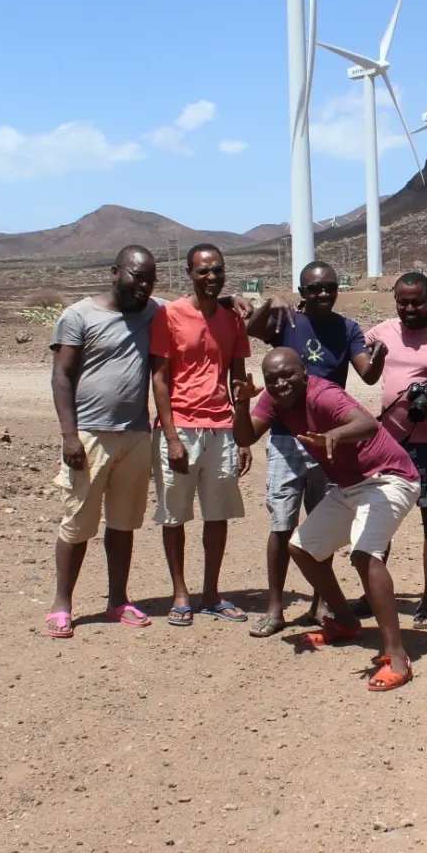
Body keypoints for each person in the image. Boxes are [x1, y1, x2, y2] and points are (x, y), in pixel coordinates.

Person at [232, 347, 420, 691]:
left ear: (304, 373)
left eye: (288, 375)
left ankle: (397, 656)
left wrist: (335, 434)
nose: (281, 383)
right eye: (272, 379)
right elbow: (245, 437)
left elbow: (368, 424)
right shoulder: (275, 400)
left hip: (388, 478)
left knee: (365, 555)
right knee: (302, 548)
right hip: (351, 486)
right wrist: (242, 404)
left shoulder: (324, 395)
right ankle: (345, 621)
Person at [243, 260, 386, 633]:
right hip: (285, 437)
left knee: (322, 524)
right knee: (281, 524)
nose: (323, 294)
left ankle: (321, 604)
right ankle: (276, 608)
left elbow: (367, 374)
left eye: (329, 287)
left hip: (329, 440)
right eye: (314, 289)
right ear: (302, 292)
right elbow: (250, 328)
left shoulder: (348, 328)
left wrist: (379, 357)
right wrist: (271, 302)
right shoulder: (288, 321)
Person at [44, 246, 160, 637]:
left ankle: (118, 600)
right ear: (114, 272)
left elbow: (192, 306)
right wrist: (69, 435)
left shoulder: (153, 310)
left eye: (150, 280)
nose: (143, 286)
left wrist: (234, 301)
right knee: (77, 523)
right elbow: (62, 376)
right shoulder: (78, 316)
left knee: (123, 524)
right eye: (137, 276)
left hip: (135, 434)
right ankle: (62, 604)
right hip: (89, 435)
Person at [150, 243, 252, 628]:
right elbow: (160, 379)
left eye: (217, 270)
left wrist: (243, 436)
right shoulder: (169, 315)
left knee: (217, 513)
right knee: (174, 515)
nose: (211, 277)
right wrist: (171, 437)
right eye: (203, 271)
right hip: (180, 426)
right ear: (189, 274)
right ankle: (180, 594)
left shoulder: (233, 320)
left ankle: (211, 593)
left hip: (221, 427)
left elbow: (238, 378)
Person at [360, 272, 427, 628]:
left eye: (416, 302)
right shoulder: (381, 332)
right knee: (379, 521)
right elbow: (352, 348)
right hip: (388, 446)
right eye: (402, 302)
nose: (408, 309)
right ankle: (372, 594)